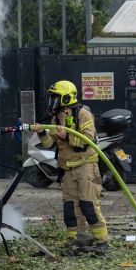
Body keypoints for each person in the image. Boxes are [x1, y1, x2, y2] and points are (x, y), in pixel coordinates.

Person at [33, 80, 108, 254]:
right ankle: (76, 241)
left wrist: (67, 136)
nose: (53, 100)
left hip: (85, 166)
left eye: (56, 97)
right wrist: (42, 133)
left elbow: (88, 141)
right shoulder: (57, 117)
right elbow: (49, 143)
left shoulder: (83, 114)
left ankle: (101, 241)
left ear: (66, 97)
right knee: (70, 208)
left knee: (88, 205)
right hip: (68, 169)